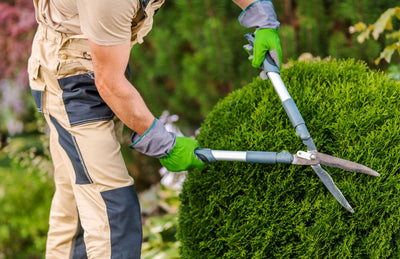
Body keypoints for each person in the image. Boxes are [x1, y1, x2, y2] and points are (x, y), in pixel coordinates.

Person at [27, 0, 282, 257]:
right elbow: (110, 83)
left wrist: (260, 16)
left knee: (79, 201)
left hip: (102, 57)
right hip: (71, 77)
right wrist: (165, 145)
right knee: (111, 210)